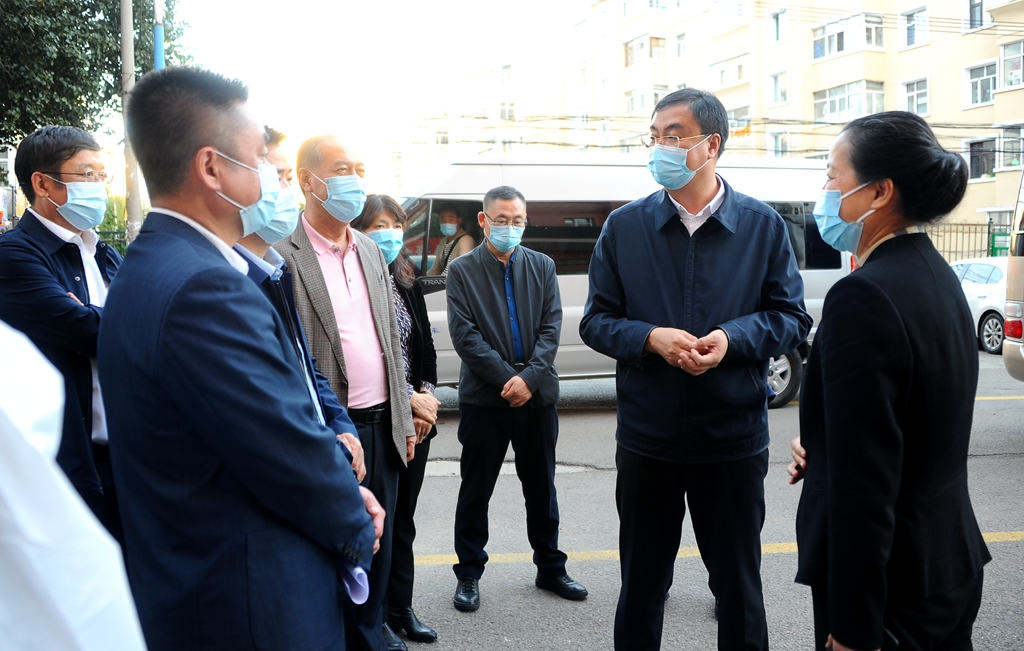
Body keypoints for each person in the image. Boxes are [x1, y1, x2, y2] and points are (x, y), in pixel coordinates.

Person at [97, 67, 383, 651]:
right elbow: (285, 449)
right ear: (211, 167)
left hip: (201, 585)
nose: (274, 180)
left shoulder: (155, 263)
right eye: (261, 162)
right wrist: (355, 521)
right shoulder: (205, 288)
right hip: (251, 602)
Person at [579, 88, 811, 651]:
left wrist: (731, 339)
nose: (660, 146)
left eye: (674, 135)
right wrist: (649, 338)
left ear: (712, 145)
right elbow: (595, 321)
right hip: (648, 440)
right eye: (654, 136)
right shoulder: (625, 226)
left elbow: (791, 319)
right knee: (641, 586)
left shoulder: (761, 225)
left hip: (732, 439)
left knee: (738, 588)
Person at [788, 111, 991, 651]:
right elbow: (913, 419)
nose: (824, 193)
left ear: (879, 192)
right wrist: (825, 445)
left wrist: (854, 628)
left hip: (891, 590)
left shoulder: (864, 296)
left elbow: (865, 485)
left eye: (832, 176)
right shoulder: (936, 275)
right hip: (946, 563)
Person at [276, 135, 416, 651]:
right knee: (335, 542)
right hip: (331, 428)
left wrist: (404, 416)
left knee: (382, 540)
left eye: (359, 168)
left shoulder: (371, 250)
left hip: (384, 422)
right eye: (342, 169)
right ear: (308, 180)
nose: (355, 180)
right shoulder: (282, 254)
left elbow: (391, 340)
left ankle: (372, 632)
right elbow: (288, 353)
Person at [448, 184, 588, 613]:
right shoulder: (462, 270)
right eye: (501, 220)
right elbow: (465, 336)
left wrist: (528, 379)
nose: (510, 227)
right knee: (476, 490)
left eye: (518, 220)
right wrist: (509, 379)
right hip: (484, 399)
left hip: (537, 397)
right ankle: (469, 573)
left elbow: (551, 328)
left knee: (541, 487)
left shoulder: (542, 266)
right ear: (483, 220)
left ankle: (550, 567)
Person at [0, 125, 124, 543]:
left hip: (129, 458)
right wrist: (101, 318)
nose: (99, 187)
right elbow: (88, 331)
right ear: (42, 184)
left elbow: (148, 323)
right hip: (70, 467)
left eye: (102, 176)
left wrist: (95, 314)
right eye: (87, 175)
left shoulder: (104, 254)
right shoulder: (15, 254)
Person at [233, 126, 365, 481]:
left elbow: (304, 366)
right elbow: (263, 407)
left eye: (287, 179)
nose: (286, 191)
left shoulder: (274, 271)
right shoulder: (222, 283)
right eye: (277, 177)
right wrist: (330, 454)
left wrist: (341, 426)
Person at [352, 195, 442, 648]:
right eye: (378, 226)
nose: (389, 235)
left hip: (417, 419)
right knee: (376, 524)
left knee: (403, 519)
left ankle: (402, 607)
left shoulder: (405, 279)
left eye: (395, 225)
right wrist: (408, 402)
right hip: (379, 418)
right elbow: (366, 360)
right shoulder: (353, 284)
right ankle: (376, 615)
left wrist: (426, 396)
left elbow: (425, 349)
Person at [427, 204, 475, 275]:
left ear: (459, 221)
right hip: (443, 281)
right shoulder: (443, 241)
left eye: (451, 220)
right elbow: (436, 269)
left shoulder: (466, 240)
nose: (446, 223)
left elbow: (463, 270)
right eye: (443, 220)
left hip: (452, 281)